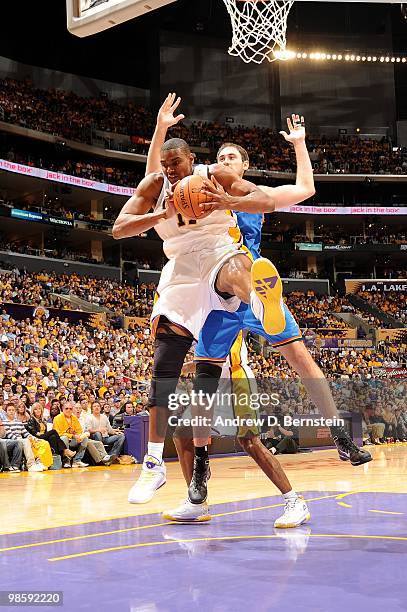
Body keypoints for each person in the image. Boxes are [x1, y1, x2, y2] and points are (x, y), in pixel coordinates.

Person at [125, 94, 370, 521]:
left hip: (244, 276)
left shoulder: (240, 191)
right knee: (200, 391)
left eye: (232, 155)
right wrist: (160, 131)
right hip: (210, 293)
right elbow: (156, 174)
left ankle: (339, 434)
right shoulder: (188, 184)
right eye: (221, 154)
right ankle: (197, 486)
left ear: (241, 166)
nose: (225, 158)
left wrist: (298, 145)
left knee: (295, 355)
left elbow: (304, 189)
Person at [2, 402, 44, 472]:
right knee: (26, 441)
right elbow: (9, 435)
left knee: (38, 441)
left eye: (13, 410)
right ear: (6, 412)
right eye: (9, 410)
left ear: (15, 411)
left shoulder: (18, 422)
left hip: (21, 440)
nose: (11, 412)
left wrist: (33, 437)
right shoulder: (4, 422)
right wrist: (21, 439)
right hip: (13, 441)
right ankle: (31, 465)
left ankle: (40, 462)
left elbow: (25, 433)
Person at [52, 401, 89, 468]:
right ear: (62, 409)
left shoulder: (74, 418)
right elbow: (58, 433)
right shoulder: (57, 418)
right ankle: (66, 461)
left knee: (85, 438)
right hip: (61, 442)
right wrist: (72, 435)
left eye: (70, 409)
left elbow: (79, 430)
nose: (68, 410)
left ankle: (77, 460)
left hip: (72, 440)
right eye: (66, 408)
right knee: (64, 438)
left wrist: (78, 436)